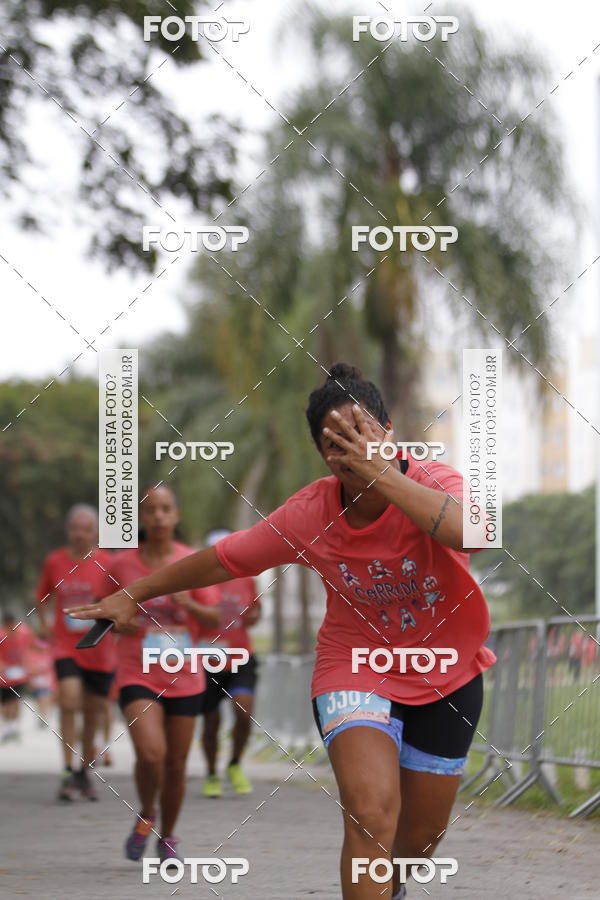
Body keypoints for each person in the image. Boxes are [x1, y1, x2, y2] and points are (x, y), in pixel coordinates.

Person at [68, 364, 496, 900]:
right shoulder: (310, 513)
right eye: (335, 442)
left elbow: (477, 532)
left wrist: (384, 475)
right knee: (369, 815)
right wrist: (134, 593)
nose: (352, 448)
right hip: (355, 666)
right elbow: (223, 561)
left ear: (389, 431)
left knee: (418, 839)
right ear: (324, 457)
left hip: (447, 674)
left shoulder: (435, 480)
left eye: (362, 432)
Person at [96, 485, 221, 866]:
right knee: (152, 755)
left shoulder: (193, 561)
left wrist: (189, 605)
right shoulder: (121, 566)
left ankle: (168, 836)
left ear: (177, 515)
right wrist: (119, 623)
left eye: (166, 509)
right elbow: (103, 614)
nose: (159, 517)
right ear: (141, 518)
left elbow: (216, 618)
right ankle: (147, 812)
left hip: (184, 675)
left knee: (176, 764)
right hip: (138, 672)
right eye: (151, 510)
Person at [35, 504, 116, 801]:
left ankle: (83, 772)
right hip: (66, 646)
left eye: (86, 529)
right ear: (68, 531)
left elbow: (121, 599)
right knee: (69, 700)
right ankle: (68, 770)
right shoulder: (55, 562)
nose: (80, 534)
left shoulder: (108, 563)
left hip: (99, 647)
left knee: (93, 712)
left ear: (95, 532)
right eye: (75, 528)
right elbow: (41, 596)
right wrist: (45, 626)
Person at [199, 529, 261, 798]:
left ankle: (235, 763)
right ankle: (212, 772)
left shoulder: (246, 579)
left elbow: (257, 611)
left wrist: (252, 616)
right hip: (207, 660)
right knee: (210, 721)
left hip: (241, 657)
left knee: (244, 710)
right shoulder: (198, 581)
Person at [0, 611, 34, 743]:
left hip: (19, 674)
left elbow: (29, 649)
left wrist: (29, 664)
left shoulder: (25, 633)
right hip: (4, 675)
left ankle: (14, 728)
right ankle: (8, 728)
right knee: (6, 703)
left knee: (15, 701)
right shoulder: (1, 635)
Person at [26, 632, 56, 724]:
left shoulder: (50, 656)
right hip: (35, 684)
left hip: (47, 683)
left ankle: (43, 717)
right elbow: (29, 669)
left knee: (44, 699)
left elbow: (52, 669)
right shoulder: (31, 656)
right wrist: (38, 670)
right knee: (39, 701)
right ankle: (41, 716)